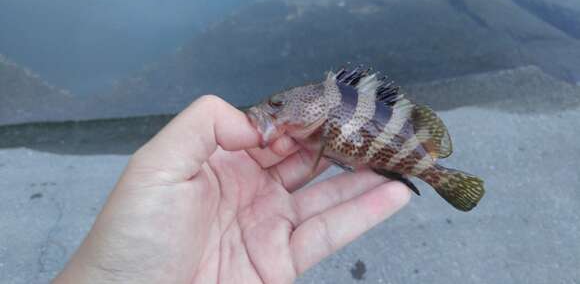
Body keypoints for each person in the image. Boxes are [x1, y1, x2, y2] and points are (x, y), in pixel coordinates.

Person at [54, 95, 410, 283]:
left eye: (277, 104)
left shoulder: (320, 120)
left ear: (313, 108)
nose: (267, 110)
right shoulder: (309, 126)